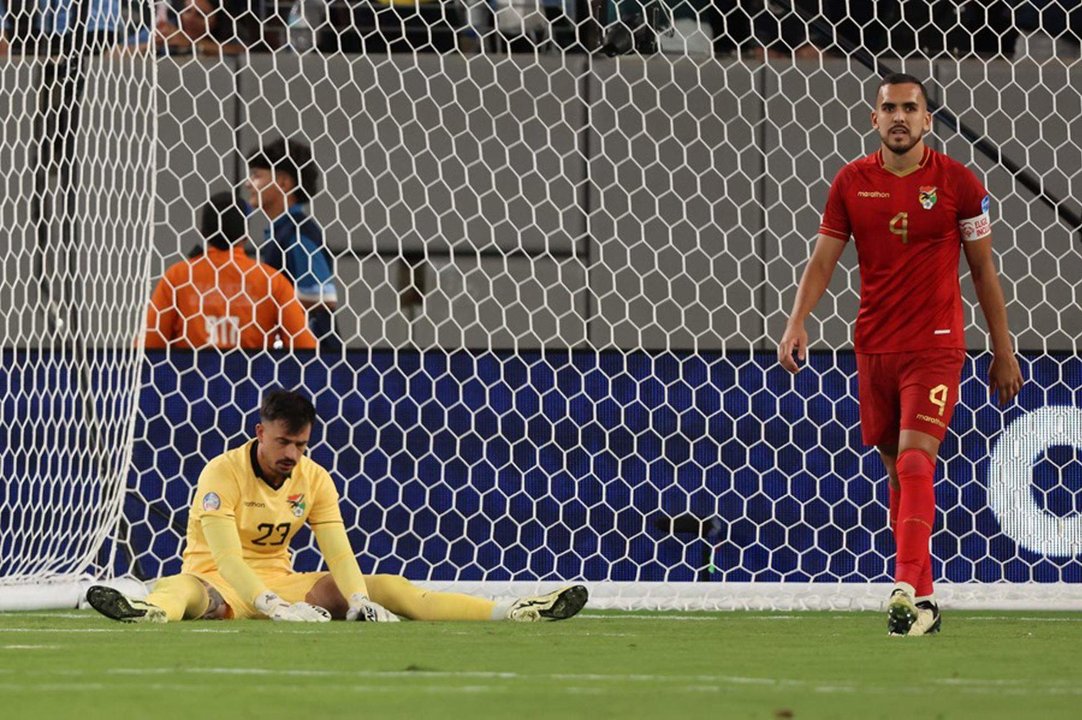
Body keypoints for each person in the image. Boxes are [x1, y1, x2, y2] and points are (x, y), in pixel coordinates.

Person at [777, 73, 1024, 637]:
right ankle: (926, 603)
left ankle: (905, 585)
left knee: (916, 462)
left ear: (927, 120)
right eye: (889, 107)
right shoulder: (849, 182)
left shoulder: (960, 183)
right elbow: (823, 261)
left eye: (910, 108)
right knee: (895, 472)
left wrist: (1002, 349)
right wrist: (797, 321)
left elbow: (984, 268)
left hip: (936, 346)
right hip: (875, 346)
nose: (899, 117)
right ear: (874, 118)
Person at [87, 389, 588, 623]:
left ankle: (512, 611)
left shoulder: (314, 478)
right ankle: (147, 611)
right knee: (182, 591)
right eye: (284, 443)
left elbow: (338, 550)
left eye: (301, 445)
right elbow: (228, 559)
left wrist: (358, 599)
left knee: (386, 586)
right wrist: (271, 606)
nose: (292, 455)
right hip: (219, 581)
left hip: (284, 582)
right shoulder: (222, 472)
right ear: (260, 433)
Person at [144, 192, 318, 351]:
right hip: (253, 384)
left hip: (189, 383)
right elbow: (306, 350)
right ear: (246, 235)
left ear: (203, 232)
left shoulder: (178, 276)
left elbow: (148, 346)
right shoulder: (272, 281)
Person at [246, 137, 341, 351]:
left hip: (312, 358)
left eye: (257, 176)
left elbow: (323, 295)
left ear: (283, 182)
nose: (248, 184)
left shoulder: (297, 233)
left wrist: (264, 303)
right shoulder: (280, 232)